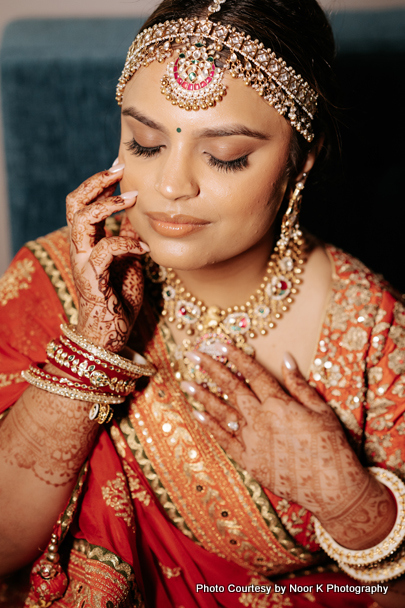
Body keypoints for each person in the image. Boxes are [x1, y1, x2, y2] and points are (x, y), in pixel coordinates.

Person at [1, 0, 405, 606]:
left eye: (226, 156)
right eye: (144, 143)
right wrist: (89, 351)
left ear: (303, 156)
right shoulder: (59, 280)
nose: (171, 186)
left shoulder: (374, 330)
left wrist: (350, 502)